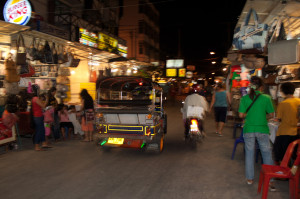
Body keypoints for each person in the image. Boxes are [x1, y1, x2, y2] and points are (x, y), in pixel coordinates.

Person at [238, 76, 275, 186]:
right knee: (266, 153)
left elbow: (241, 115)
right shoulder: (266, 98)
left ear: (250, 86)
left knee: (249, 154)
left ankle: (250, 179)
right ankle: (270, 179)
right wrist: (262, 117)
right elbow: (271, 114)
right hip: (262, 129)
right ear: (261, 87)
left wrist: (248, 115)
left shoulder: (244, 98)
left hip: (248, 128)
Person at [273, 82, 300, 164]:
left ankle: (282, 173)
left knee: (281, 155)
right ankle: (293, 172)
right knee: (294, 154)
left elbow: (279, 118)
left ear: (283, 91)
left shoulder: (283, 103)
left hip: (284, 132)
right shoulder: (298, 101)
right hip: (297, 132)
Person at [31, 84, 51, 151]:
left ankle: (44, 143)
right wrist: (47, 99)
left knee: (42, 130)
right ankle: (36, 146)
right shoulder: (36, 99)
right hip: (38, 117)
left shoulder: (34, 98)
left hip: (38, 116)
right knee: (39, 131)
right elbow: (43, 106)